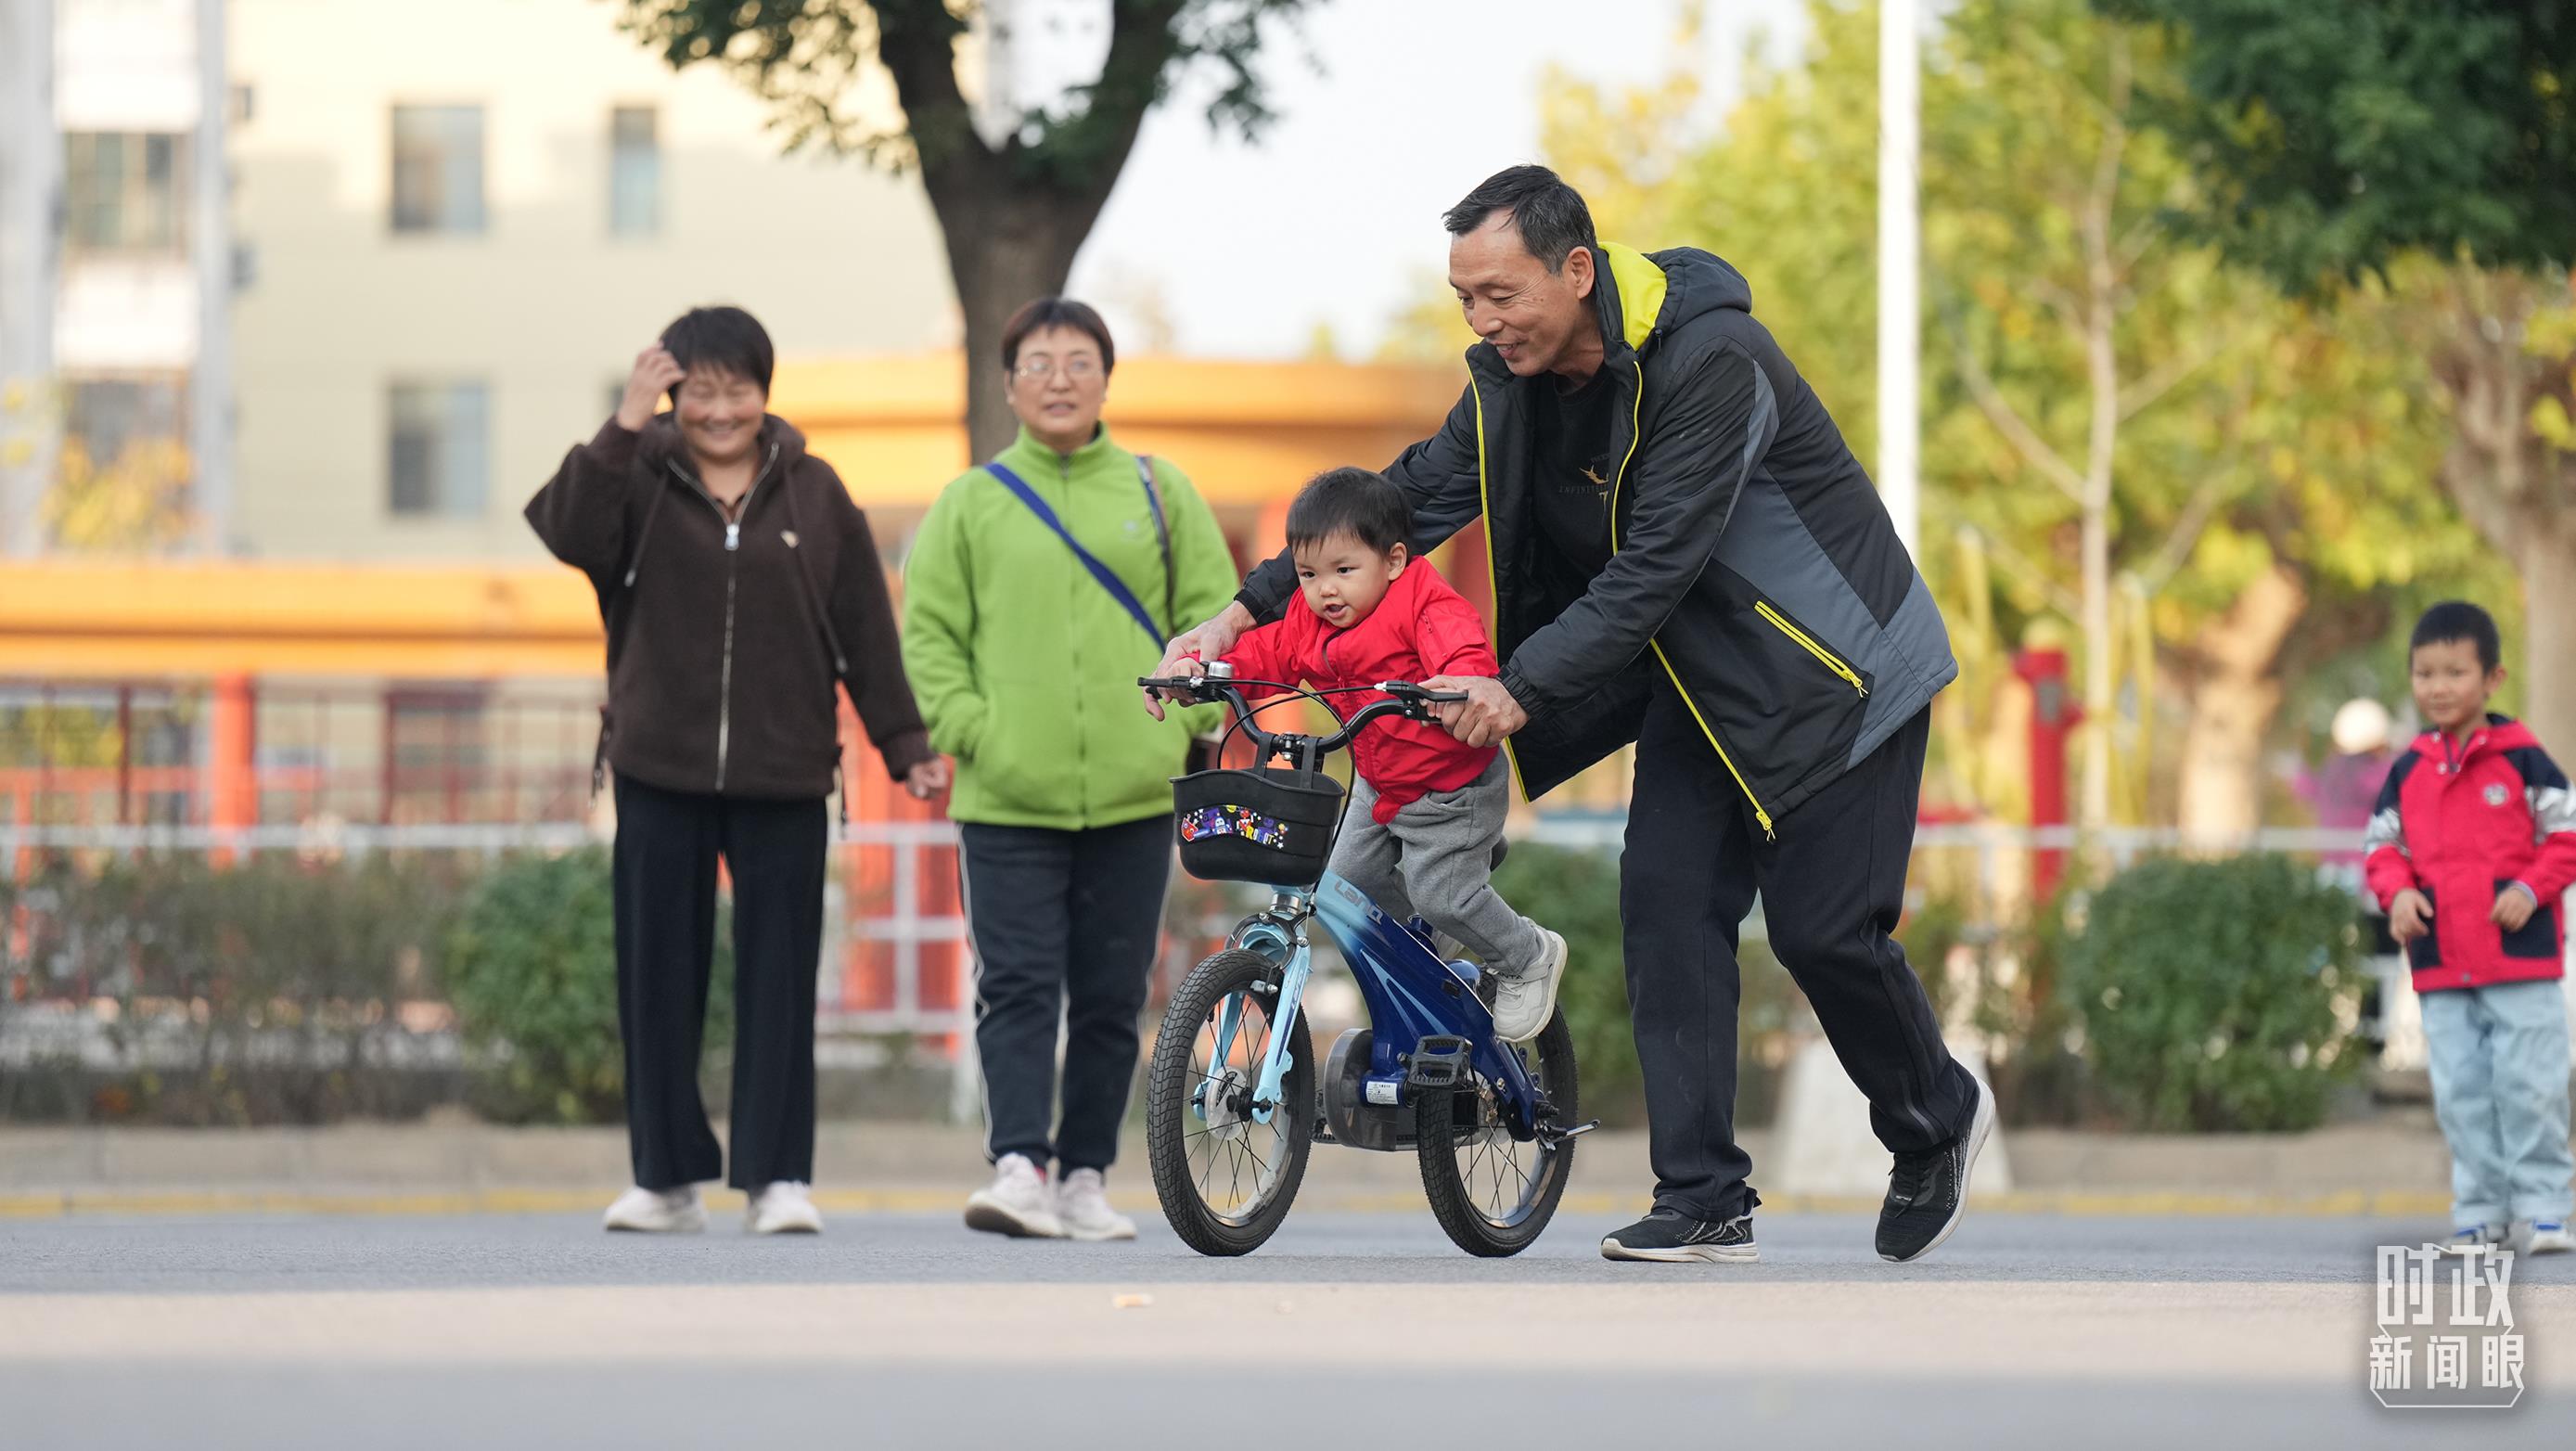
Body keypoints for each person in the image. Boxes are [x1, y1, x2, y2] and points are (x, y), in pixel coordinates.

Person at [1156, 165, 1989, 1265]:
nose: (1481, 319)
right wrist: (1238, 614)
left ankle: (1933, 1116)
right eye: (1464, 298)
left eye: (1500, 294)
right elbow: (1396, 508)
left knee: (1819, 934)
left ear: (1576, 270)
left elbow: (1655, 565)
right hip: (1697, 685)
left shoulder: (1713, 362)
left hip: (1835, 679)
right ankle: (1702, 1196)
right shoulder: (1509, 388)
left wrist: (1519, 685)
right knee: (1664, 908)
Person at [527, 305, 946, 1236]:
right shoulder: (634, 478)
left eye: (739, 390)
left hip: (784, 771)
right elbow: (565, 530)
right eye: (700, 392)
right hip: (657, 768)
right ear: (671, 394)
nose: (720, 411)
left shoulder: (815, 493)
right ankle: (664, 1180)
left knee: (779, 980)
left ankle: (777, 1177)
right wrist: (624, 420)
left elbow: (863, 629)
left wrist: (904, 744)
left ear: (766, 392)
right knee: (656, 979)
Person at [903, 296, 1238, 1241]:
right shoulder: (969, 502)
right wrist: (975, 730)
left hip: (1133, 793)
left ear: (1105, 380)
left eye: (1078, 362)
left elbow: (1214, 616)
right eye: (1038, 364)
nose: (1058, 380)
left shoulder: (1159, 492)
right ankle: (1018, 1166)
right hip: (1005, 797)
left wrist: (1187, 724)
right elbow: (929, 636)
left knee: (1110, 995)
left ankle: (1085, 1176)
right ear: (1009, 385)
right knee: (1014, 984)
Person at [1173, 467, 1568, 1040]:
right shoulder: (1309, 619)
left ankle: (1527, 954)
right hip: (1379, 784)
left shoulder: (1428, 607)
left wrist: (1457, 686)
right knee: (1347, 886)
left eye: (1344, 570)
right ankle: (1435, 928)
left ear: (1394, 561)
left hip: (1450, 788)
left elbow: (1465, 657)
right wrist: (1206, 672)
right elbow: (1267, 652)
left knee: (1442, 896)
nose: (1325, 590)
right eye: (1308, 574)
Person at [2365, 601, 2575, 1256]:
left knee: (2531, 1085)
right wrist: (2398, 893)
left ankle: (2546, 1208)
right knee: (2460, 1093)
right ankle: (2481, 1213)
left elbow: (2566, 836)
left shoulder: (2524, 760)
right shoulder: (2406, 770)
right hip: (2440, 963)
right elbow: (2382, 847)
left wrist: (2529, 889)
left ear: (2491, 679)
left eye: (2455, 672)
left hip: (2519, 959)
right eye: (2424, 673)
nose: (2438, 687)